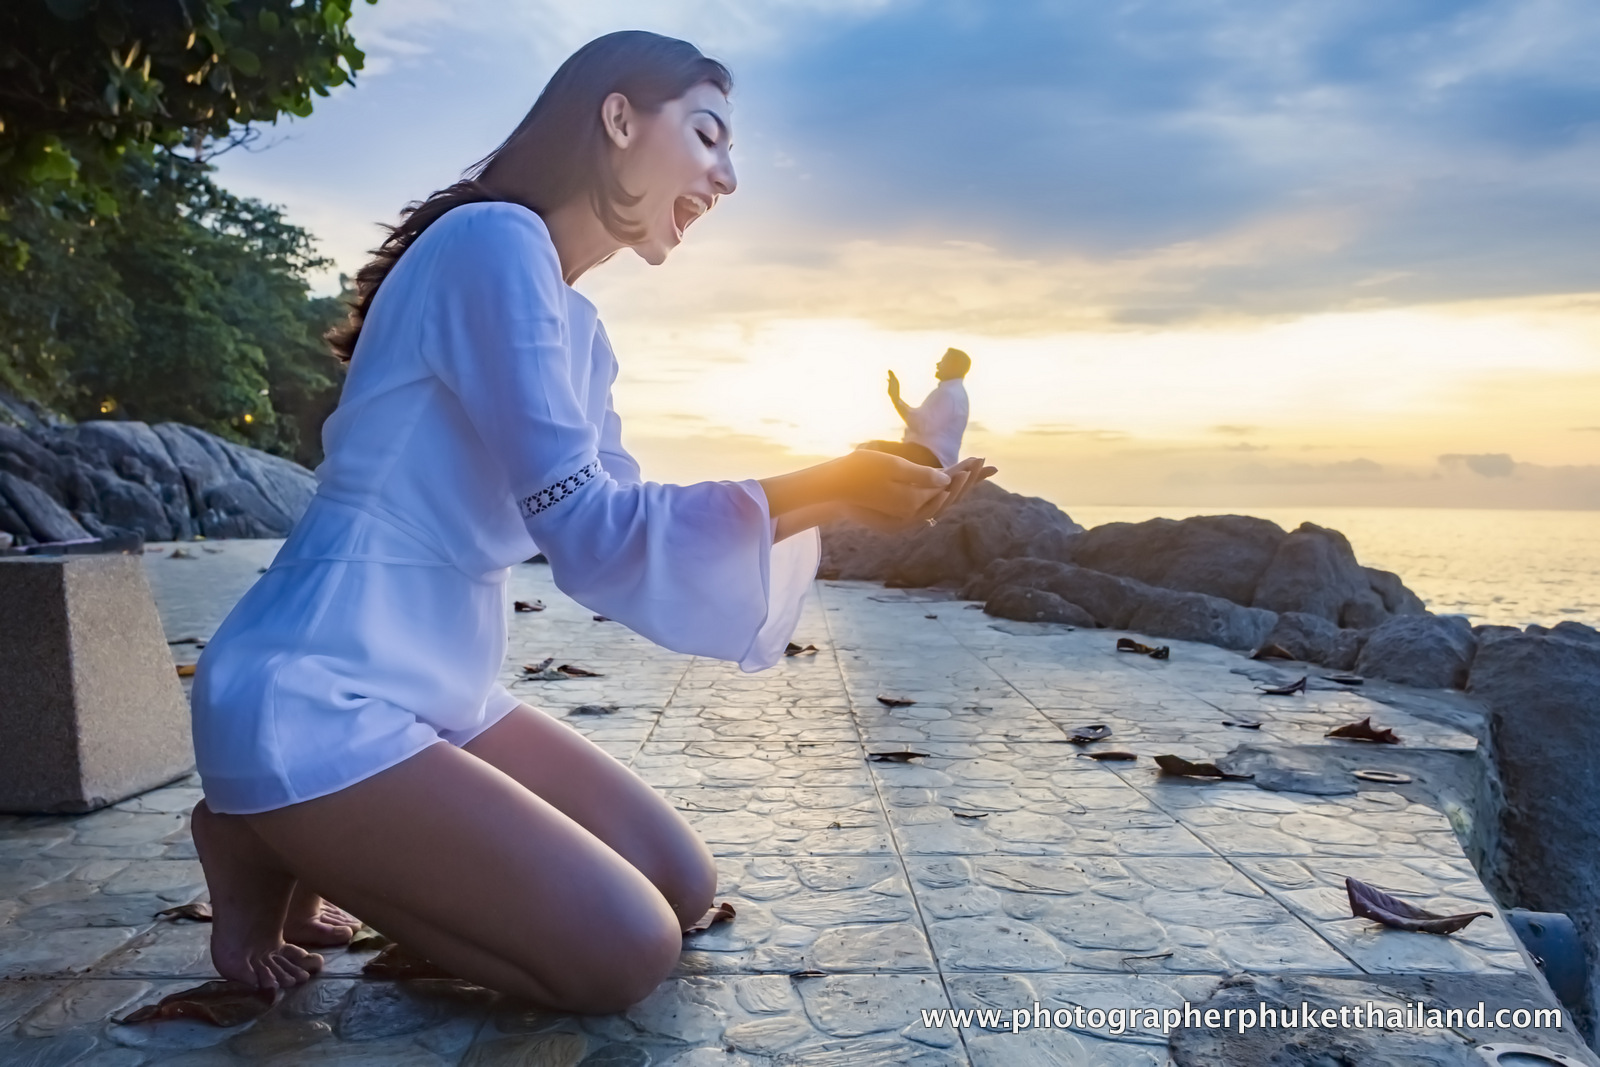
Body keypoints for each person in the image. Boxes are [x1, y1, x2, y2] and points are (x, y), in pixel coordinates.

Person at [186, 31, 988, 1014]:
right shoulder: (491, 242)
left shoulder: (576, 323)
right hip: (315, 686)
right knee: (621, 955)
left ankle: (313, 833)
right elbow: (589, 527)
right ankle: (268, 829)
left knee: (682, 888)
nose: (727, 176)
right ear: (617, 118)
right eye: (706, 134)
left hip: (436, 676)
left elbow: (610, 536)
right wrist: (822, 475)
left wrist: (847, 493)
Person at [861, 347, 971, 467]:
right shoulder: (953, 392)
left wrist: (895, 399)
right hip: (928, 455)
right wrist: (897, 400)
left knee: (869, 449)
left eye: (943, 361)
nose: (938, 364)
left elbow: (922, 426)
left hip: (930, 457)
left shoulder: (949, 394)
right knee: (867, 450)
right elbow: (921, 420)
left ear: (953, 366)